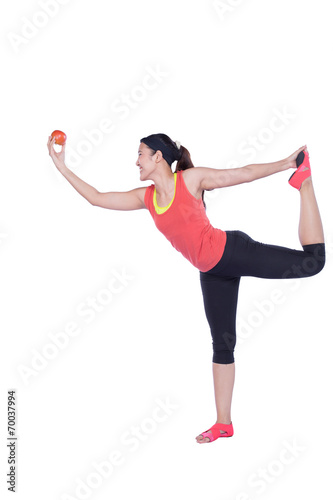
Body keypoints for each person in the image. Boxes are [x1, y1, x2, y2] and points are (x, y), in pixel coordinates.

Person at [47, 132, 325, 444]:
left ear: (158, 157)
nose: (135, 160)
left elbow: (243, 174)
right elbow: (97, 197)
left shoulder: (191, 180)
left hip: (232, 251)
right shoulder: (146, 198)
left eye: (140, 153)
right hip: (212, 272)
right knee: (222, 347)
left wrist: (287, 163)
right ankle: (223, 424)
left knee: (313, 263)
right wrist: (62, 167)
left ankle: (305, 183)